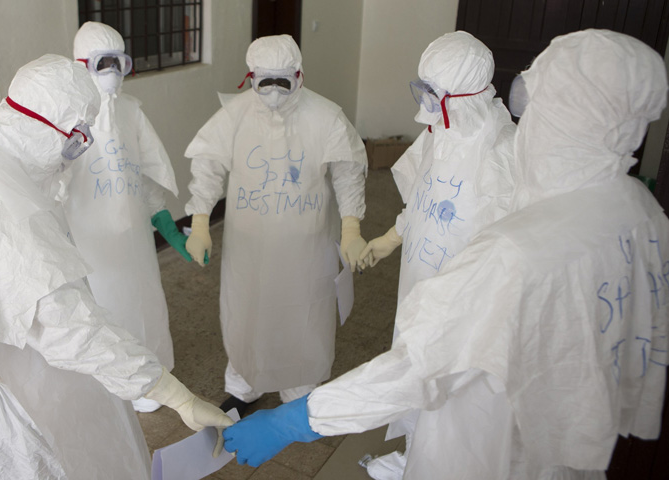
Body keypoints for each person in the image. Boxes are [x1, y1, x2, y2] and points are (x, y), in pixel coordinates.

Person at [222, 29, 669, 480]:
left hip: (487, 442)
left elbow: (424, 364)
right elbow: (425, 198)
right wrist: (393, 237)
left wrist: (301, 419)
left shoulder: (517, 245)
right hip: (559, 425)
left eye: (531, 104)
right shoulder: (642, 213)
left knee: (449, 416)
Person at [0, 54, 232, 480]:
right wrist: (176, 395)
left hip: (3, 370)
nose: (76, 152)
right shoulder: (13, 213)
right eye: (75, 138)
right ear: (41, 125)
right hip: (44, 382)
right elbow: (71, 331)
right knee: (70, 461)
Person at [356, 31, 516, 477]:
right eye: (421, 90)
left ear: (463, 96)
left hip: (468, 301)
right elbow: (423, 201)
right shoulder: (439, 133)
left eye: (432, 94)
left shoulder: (503, 154)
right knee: (415, 367)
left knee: (455, 386)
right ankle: (413, 454)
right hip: (419, 281)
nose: (422, 106)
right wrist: (392, 237)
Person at [183, 34, 368, 414]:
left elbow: (349, 174)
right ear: (250, 77)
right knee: (246, 309)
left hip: (307, 246)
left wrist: (351, 227)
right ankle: (244, 382)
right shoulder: (235, 115)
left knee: (303, 310)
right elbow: (208, 164)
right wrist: (200, 219)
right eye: (263, 82)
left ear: (298, 75)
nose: (273, 93)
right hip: (248, 244)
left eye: (282, 82)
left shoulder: (326, 116)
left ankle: (299, 384)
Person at [67, 21, 187, 413]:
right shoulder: (62, 120)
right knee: (98, 309)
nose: (113, 73)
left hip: (134, 242)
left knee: (141, 305)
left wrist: (167, 224)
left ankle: (146, 379)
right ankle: (103, 383)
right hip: (87, 243)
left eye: (119, 62)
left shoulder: (131, 112)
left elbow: (144, 175)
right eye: (104, 62)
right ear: (81, 64)